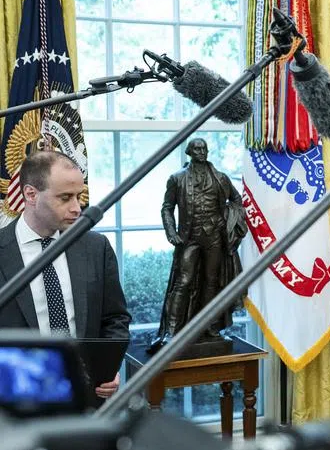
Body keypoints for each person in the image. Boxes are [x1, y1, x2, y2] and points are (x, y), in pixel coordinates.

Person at [0, 150, 130, 399]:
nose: (77, 208)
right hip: (15, 402)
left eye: (79, 196)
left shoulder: (96, 247)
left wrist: (108, 367)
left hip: (87, 397)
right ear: (30, 194)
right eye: (65, 198)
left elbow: (115, 319)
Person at [152, 138, 246, 348]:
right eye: (197, 148)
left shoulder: (220, 178)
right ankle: (172, 331)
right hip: (189, 237)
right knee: (183, 282)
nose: (201, 152)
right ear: (189, 152)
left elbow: (237, 200)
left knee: (211, 281)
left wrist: (228, 220)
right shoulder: (177, 178)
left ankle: (210, 327)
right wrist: (171, 232)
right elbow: (167, 207)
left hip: (214, 237)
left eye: (204, 148)